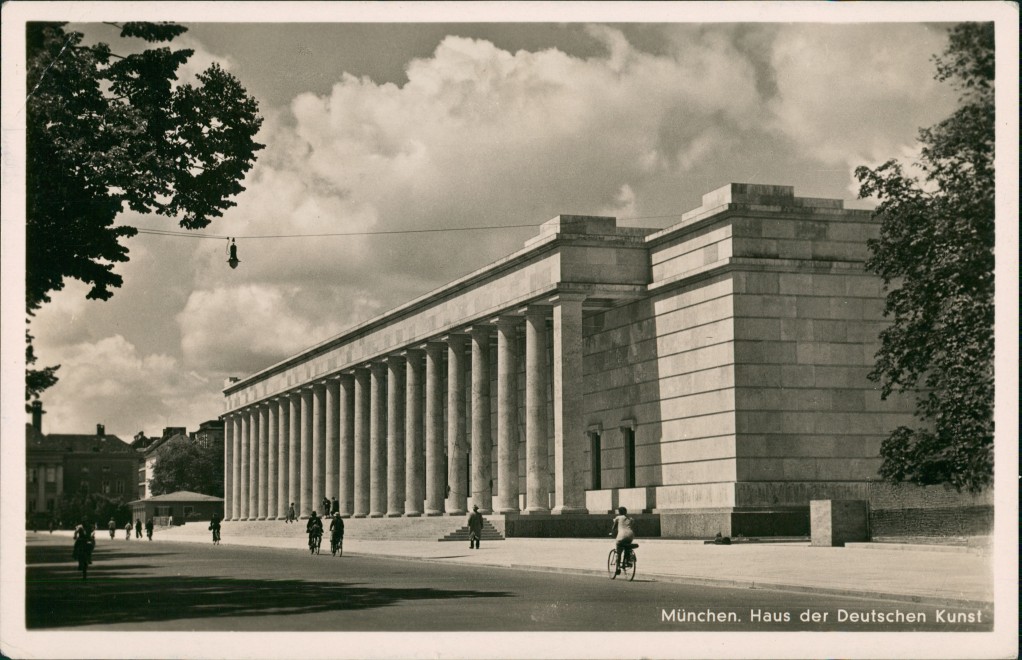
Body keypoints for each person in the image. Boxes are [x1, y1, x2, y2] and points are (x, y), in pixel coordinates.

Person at [610, 506, 636, 575]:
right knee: (627, 547)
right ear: (626, 511)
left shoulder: (618, 518)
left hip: (621, 536)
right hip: (630, 535)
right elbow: (632, 525)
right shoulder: (630, 518)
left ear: (619, 512)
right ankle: (627, 560)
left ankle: (618, 568)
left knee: (619, 551)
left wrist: (612, 533)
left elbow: (614, 528)